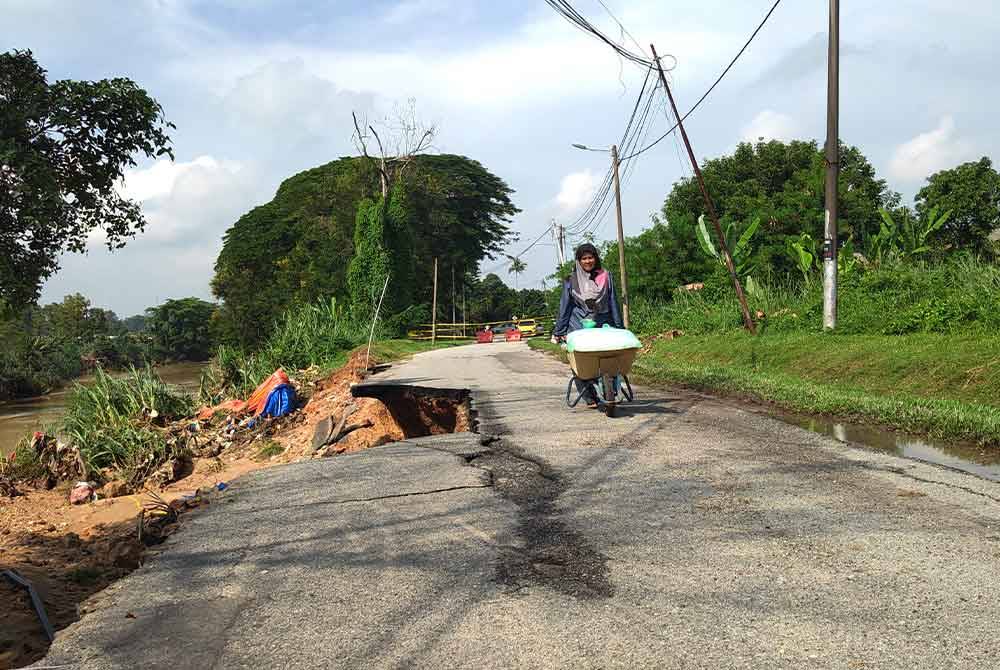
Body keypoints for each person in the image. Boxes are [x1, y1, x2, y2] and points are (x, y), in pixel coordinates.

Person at [552, 243, 624, 406]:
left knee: (607, 356)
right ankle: (589, 396)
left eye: (590, 257)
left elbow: (612, 301)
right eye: (584, 258)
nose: (588, 261)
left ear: (596, 258)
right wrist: (559, 331)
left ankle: (611, 388)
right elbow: (565, 306)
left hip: (602, 322)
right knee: (581, 361)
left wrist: (619, 326)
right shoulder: (571, 280)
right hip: (579, 324)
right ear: (578, 261)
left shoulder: (606, 276)